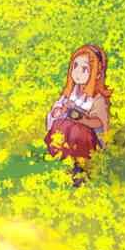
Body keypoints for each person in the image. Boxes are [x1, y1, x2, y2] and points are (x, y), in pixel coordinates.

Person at [46, 45, 111, 187]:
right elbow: (61, 107)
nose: (77, 73)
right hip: (67, 137)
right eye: (75, 66)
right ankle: (60, 162)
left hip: (88, 141)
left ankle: (80, 170)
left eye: (84, 69)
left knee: (76, 130)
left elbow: (99, 122)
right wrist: (59, 111)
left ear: (97, 73)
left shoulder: (97, 98)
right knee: (61, 125)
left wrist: (80, 117)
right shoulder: (72, 91)